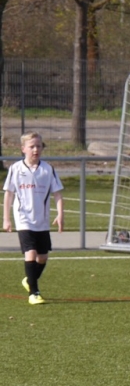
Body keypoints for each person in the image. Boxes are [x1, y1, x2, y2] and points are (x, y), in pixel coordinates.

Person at [3, 131, 64, 305]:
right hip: (23, 218)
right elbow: (8, 194)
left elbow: (57, 194)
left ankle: (30, 279)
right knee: (30, 252)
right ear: (23, 149)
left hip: (42, 220)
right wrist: (6, 218)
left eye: (38, 146)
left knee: (43, 256)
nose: (36, 150)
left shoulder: (48, 169)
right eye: (32, 146)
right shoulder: (16, 169)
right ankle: (34, 293)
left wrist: (60, 214)